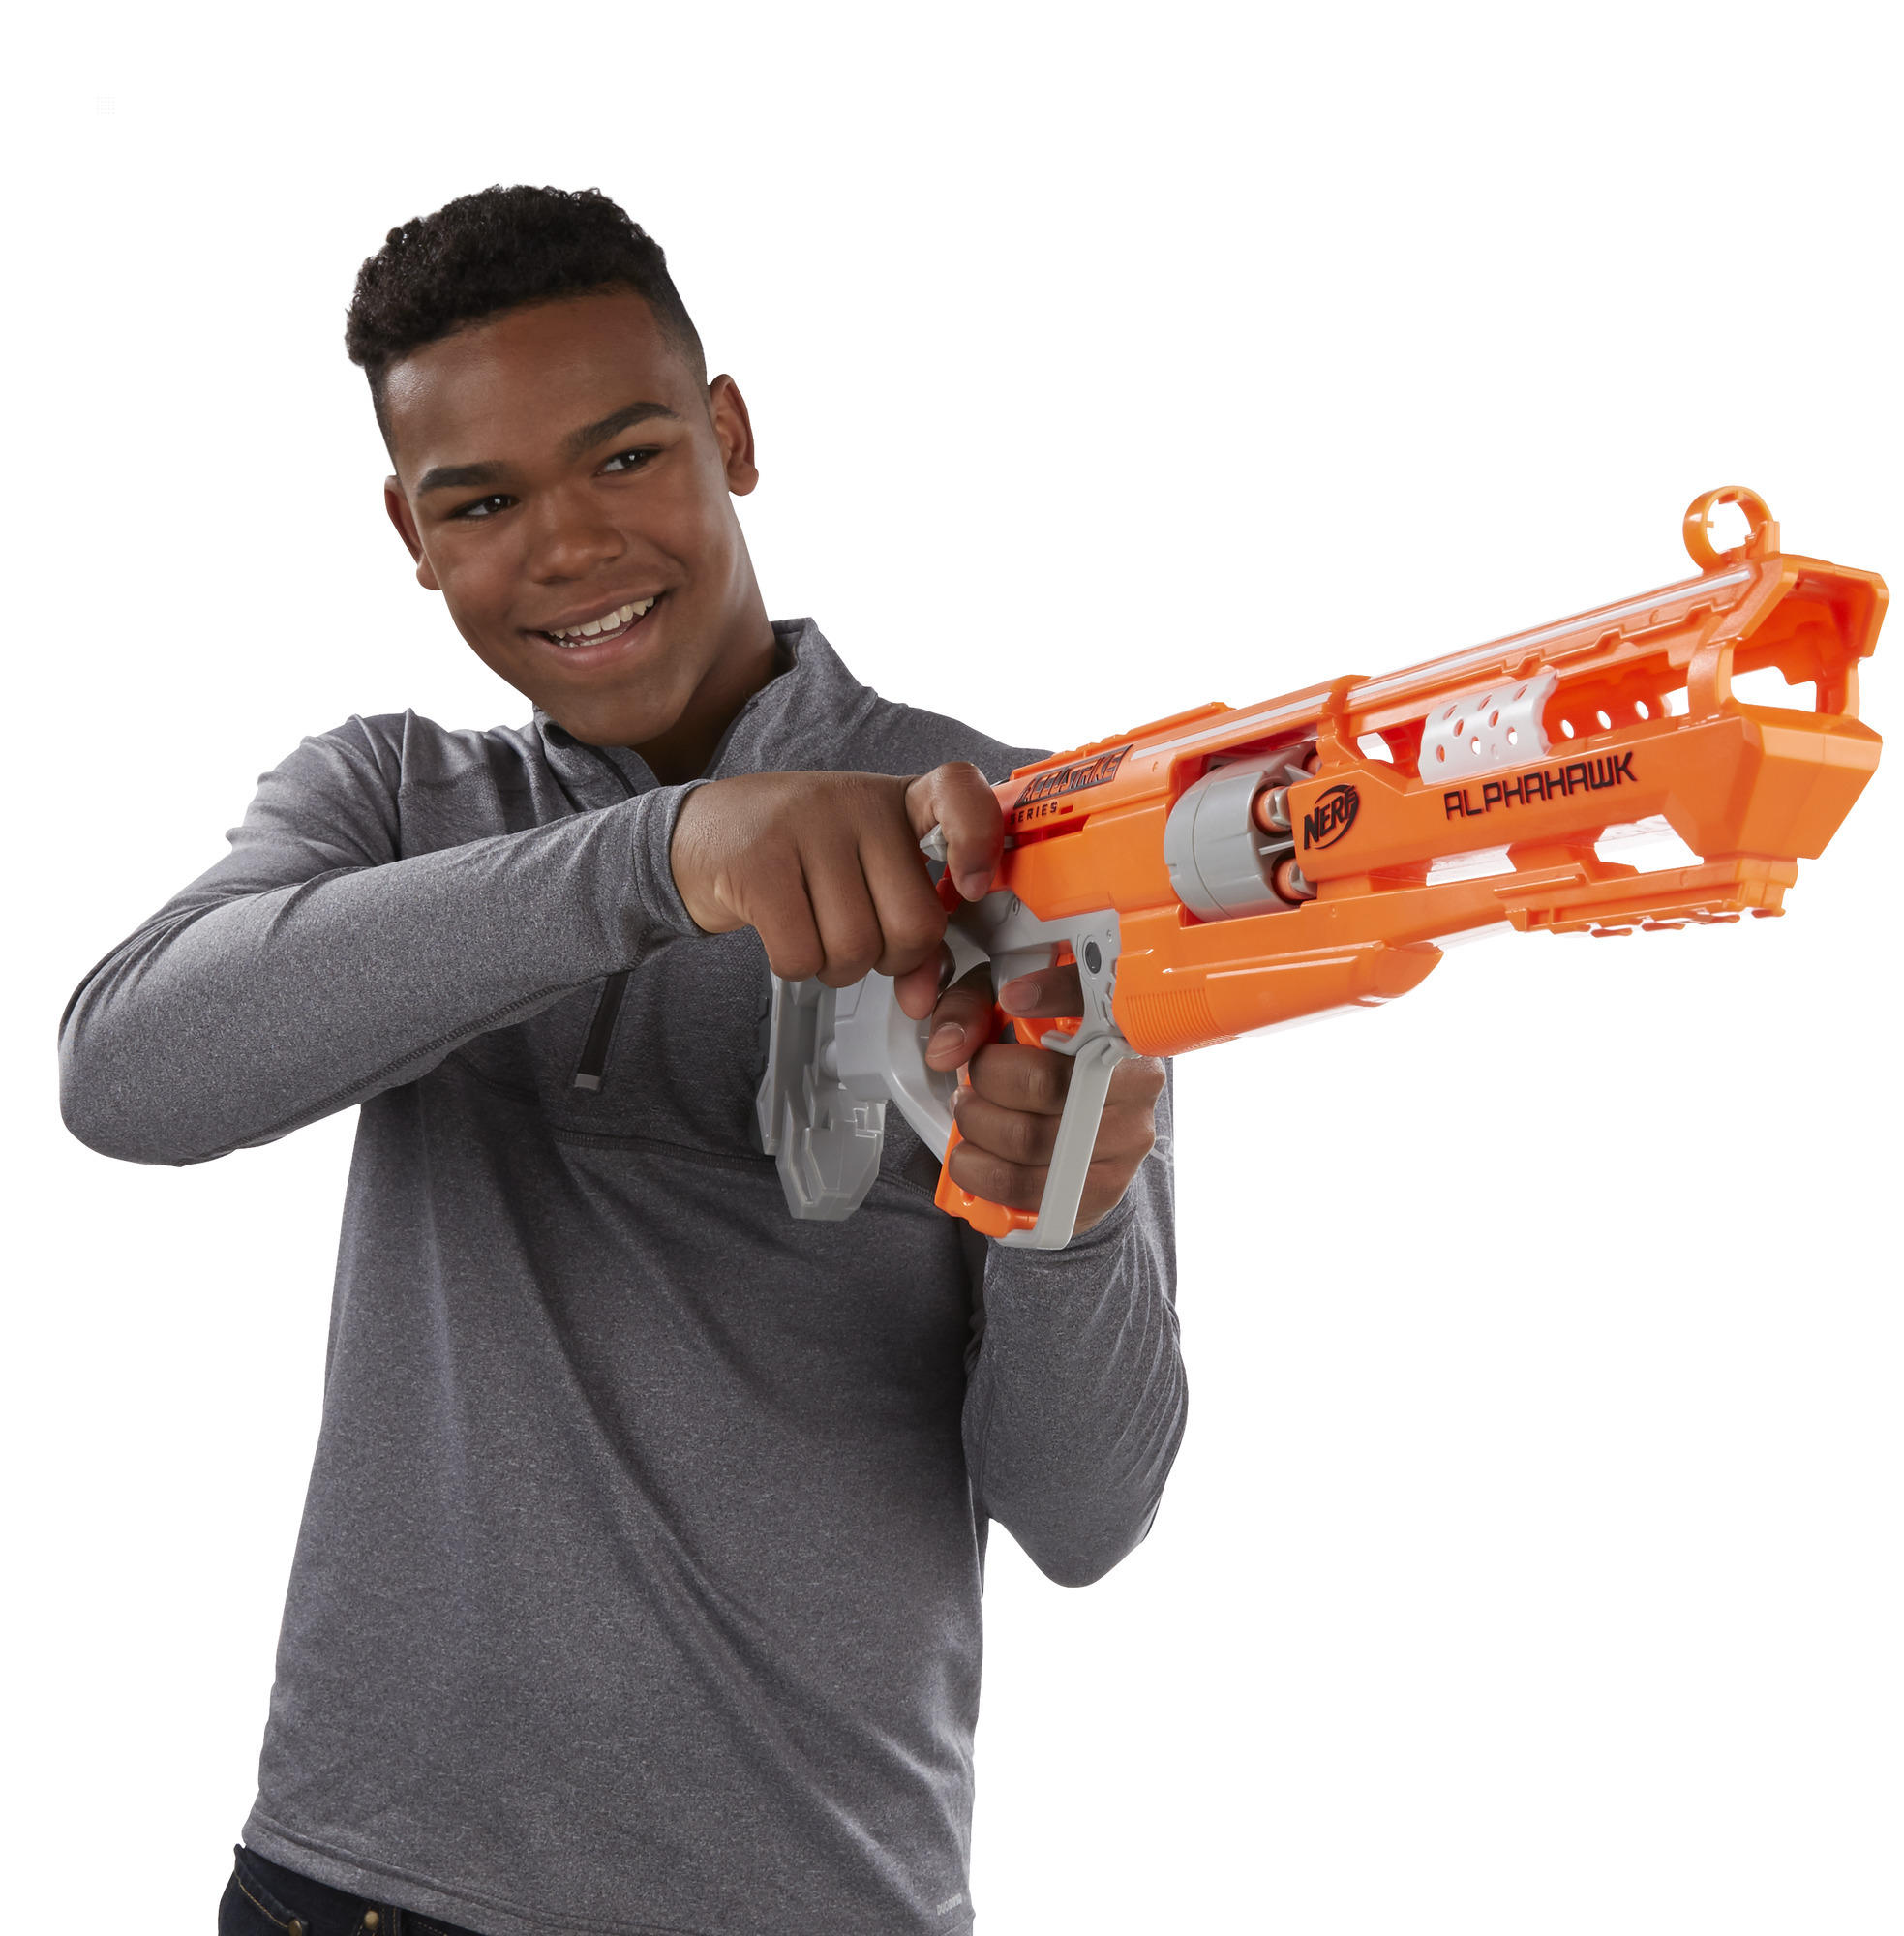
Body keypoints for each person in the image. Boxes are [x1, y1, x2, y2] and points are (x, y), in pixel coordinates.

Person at [59, 184, 1185, 1936]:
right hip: (357, 1891)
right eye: (483, 502)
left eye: (628, 457)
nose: (569, 547)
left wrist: (1074, 1223)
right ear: (410, 532)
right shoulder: (392, 800)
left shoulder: (1015, 837)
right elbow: (125, 1074)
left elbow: (1085, 1514)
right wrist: (658, 859)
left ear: (731, 435)